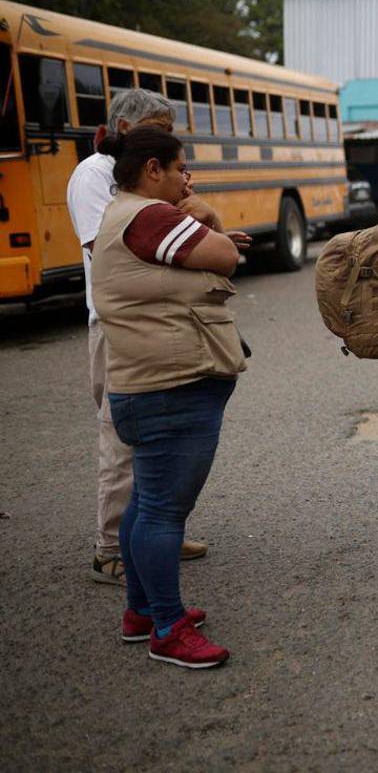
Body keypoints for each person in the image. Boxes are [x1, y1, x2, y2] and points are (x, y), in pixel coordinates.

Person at [92, 126, 252, 668]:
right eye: (182, 170)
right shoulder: (151, 214)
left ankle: (141, 612)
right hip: (171, 388)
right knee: (163, 514)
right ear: (153, 168)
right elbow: (225, 256)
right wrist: (204, 215)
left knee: (146, 504)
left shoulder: (125, 215)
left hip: (152, 385)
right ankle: (166, 626)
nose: (187, 181)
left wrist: (206, 235)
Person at [66, 88, 209, 587]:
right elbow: (107, 248)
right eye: (159, 128)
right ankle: (111, 549)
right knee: (121, 437)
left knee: (166, 433)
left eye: (170, 130)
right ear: (126, 129)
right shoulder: (93, 177)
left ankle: (159, 529)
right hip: (118, 322)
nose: (168, 140)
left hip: (159, 317)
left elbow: (185, 235)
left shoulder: (150, 177)